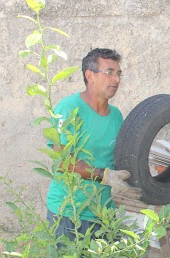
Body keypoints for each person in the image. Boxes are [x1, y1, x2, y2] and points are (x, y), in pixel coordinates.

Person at [46, 48, 141, 241]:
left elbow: (118, 159)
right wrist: (104, 175)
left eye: (118, 74)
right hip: (69, 211)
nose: (116, 80)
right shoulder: (70, 109)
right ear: (90, 76)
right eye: (109, 73)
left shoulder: (116, 115)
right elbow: (62, 161)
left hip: (102, 212)